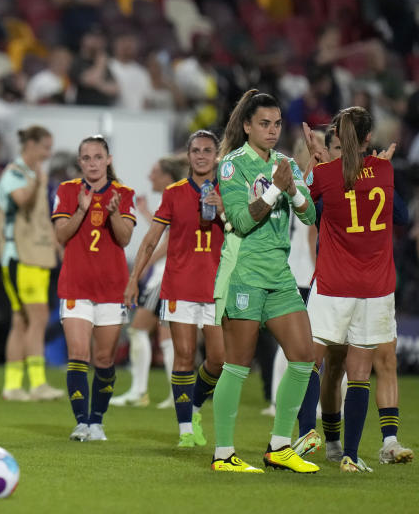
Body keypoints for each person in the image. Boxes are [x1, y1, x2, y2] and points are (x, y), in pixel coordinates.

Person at [209, 90, 318, 473]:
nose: (272, 131)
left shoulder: (286, 163)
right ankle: (223, 454)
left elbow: (309, 215)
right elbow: (240, 220)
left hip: (279, 275)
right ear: (247, 126)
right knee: (237, 365)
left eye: (276, 124)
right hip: (244, 275)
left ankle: (279, 446)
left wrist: (292, 190)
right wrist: (275, 189)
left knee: (305, 357)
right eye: (264, 124)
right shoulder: (231, 166)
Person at [298, 108, 413, 471]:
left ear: (338, 137)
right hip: (375, 287)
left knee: (309, 363)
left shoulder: (327, 175)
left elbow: (301, 205)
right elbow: (400, 214)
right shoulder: (384, 171)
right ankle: (350, 454)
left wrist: (313, 163)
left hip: (333, 284)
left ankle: (305, 439)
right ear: (367, 139)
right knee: (360, 371)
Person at [124, 131, 226, 447]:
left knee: (218, 359)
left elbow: (246, 228)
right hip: (180, 285)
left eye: (207, 150)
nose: (201, 156)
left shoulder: (229, 192)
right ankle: (185, 429)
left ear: (215, 155)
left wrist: (224, 209)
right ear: (189, 154)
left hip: (217, 286)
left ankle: (193, 406)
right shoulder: (174, 193)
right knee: (183, 356)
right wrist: (133, 278)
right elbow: (152, 239)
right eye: (195, 150)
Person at [53, 135, 136, 442]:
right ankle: (81, 422)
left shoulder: (124, 193)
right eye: (86, 158)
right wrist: (81, 210)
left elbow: (125, 238)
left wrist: (113, 212)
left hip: (112, 290)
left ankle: (97, 421)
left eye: (97, 157)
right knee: (78, 354)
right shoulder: (67, 190)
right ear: (80, 162)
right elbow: (61, 235)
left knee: (104, 360)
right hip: (75, 286)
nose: (92, 163)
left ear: (108, 160)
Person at [111, 155, 186, 408]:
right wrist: (145, 213)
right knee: (166, 337)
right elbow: (168, 230)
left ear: (167, 176)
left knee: (139, 328)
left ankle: (140, 391)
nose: (149, 176)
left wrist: (142, 267)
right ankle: (175, 396)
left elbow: (168, 241)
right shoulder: (180, 195)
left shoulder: (176, 194)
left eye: (154, 171)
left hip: (165, 277)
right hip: (172, 276)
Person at [0, 125, 64, 402]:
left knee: (22, 321)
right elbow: (22, 202)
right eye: (45, 147)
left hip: (34, 255)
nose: (48, 153)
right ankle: (36, 383)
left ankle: (13, 385)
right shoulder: (14, 174)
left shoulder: (32, 173)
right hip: (17, 255)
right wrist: (38, 180)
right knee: (36, 318)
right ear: (32, 145)